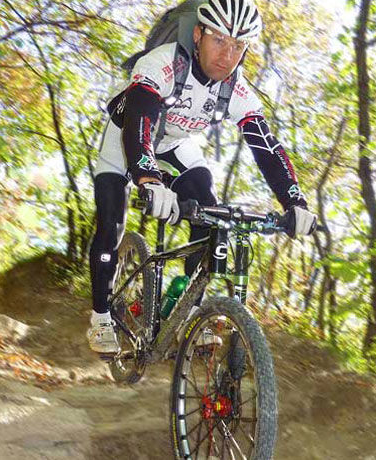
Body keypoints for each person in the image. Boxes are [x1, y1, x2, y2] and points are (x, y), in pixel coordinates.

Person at [88, 0, 317, 353]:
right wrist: (148, 178)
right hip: (125, 137)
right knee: (110, 224)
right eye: (219, 40)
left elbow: (266, 147)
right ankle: (101, 316)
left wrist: (295, 201)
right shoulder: (161, 63)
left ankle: (189, 312)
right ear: (197, 35)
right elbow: (141, 120)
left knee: (209, 209)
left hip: (175, 143)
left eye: (238, 46)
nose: (228, 55)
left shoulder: (236, 90)